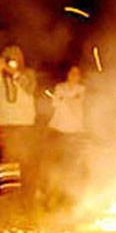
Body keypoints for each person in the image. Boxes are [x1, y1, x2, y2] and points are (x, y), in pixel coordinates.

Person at [0, 45, 37, 207]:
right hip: (6, 124)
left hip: (25, 124)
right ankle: (10, 196)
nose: (13, 61)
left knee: (27, 161)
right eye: (9, 58)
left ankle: (28, 196)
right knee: (8, 162)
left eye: (15, 58)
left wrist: (14, 73)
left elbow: (29, 88)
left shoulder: (28, 74)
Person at [42, 65, 87, 208]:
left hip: (74, 132)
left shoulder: (81, 89)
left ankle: (68, 198)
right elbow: (55, 103)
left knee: (71, 166)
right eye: (72, 73)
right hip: (58, 130)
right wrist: (66, 98)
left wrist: (65, 99)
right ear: (67, 74)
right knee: (55, 166)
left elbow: (76, 101)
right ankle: (51, 197)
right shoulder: (60, 87)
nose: (74, 76)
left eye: (77, 73)